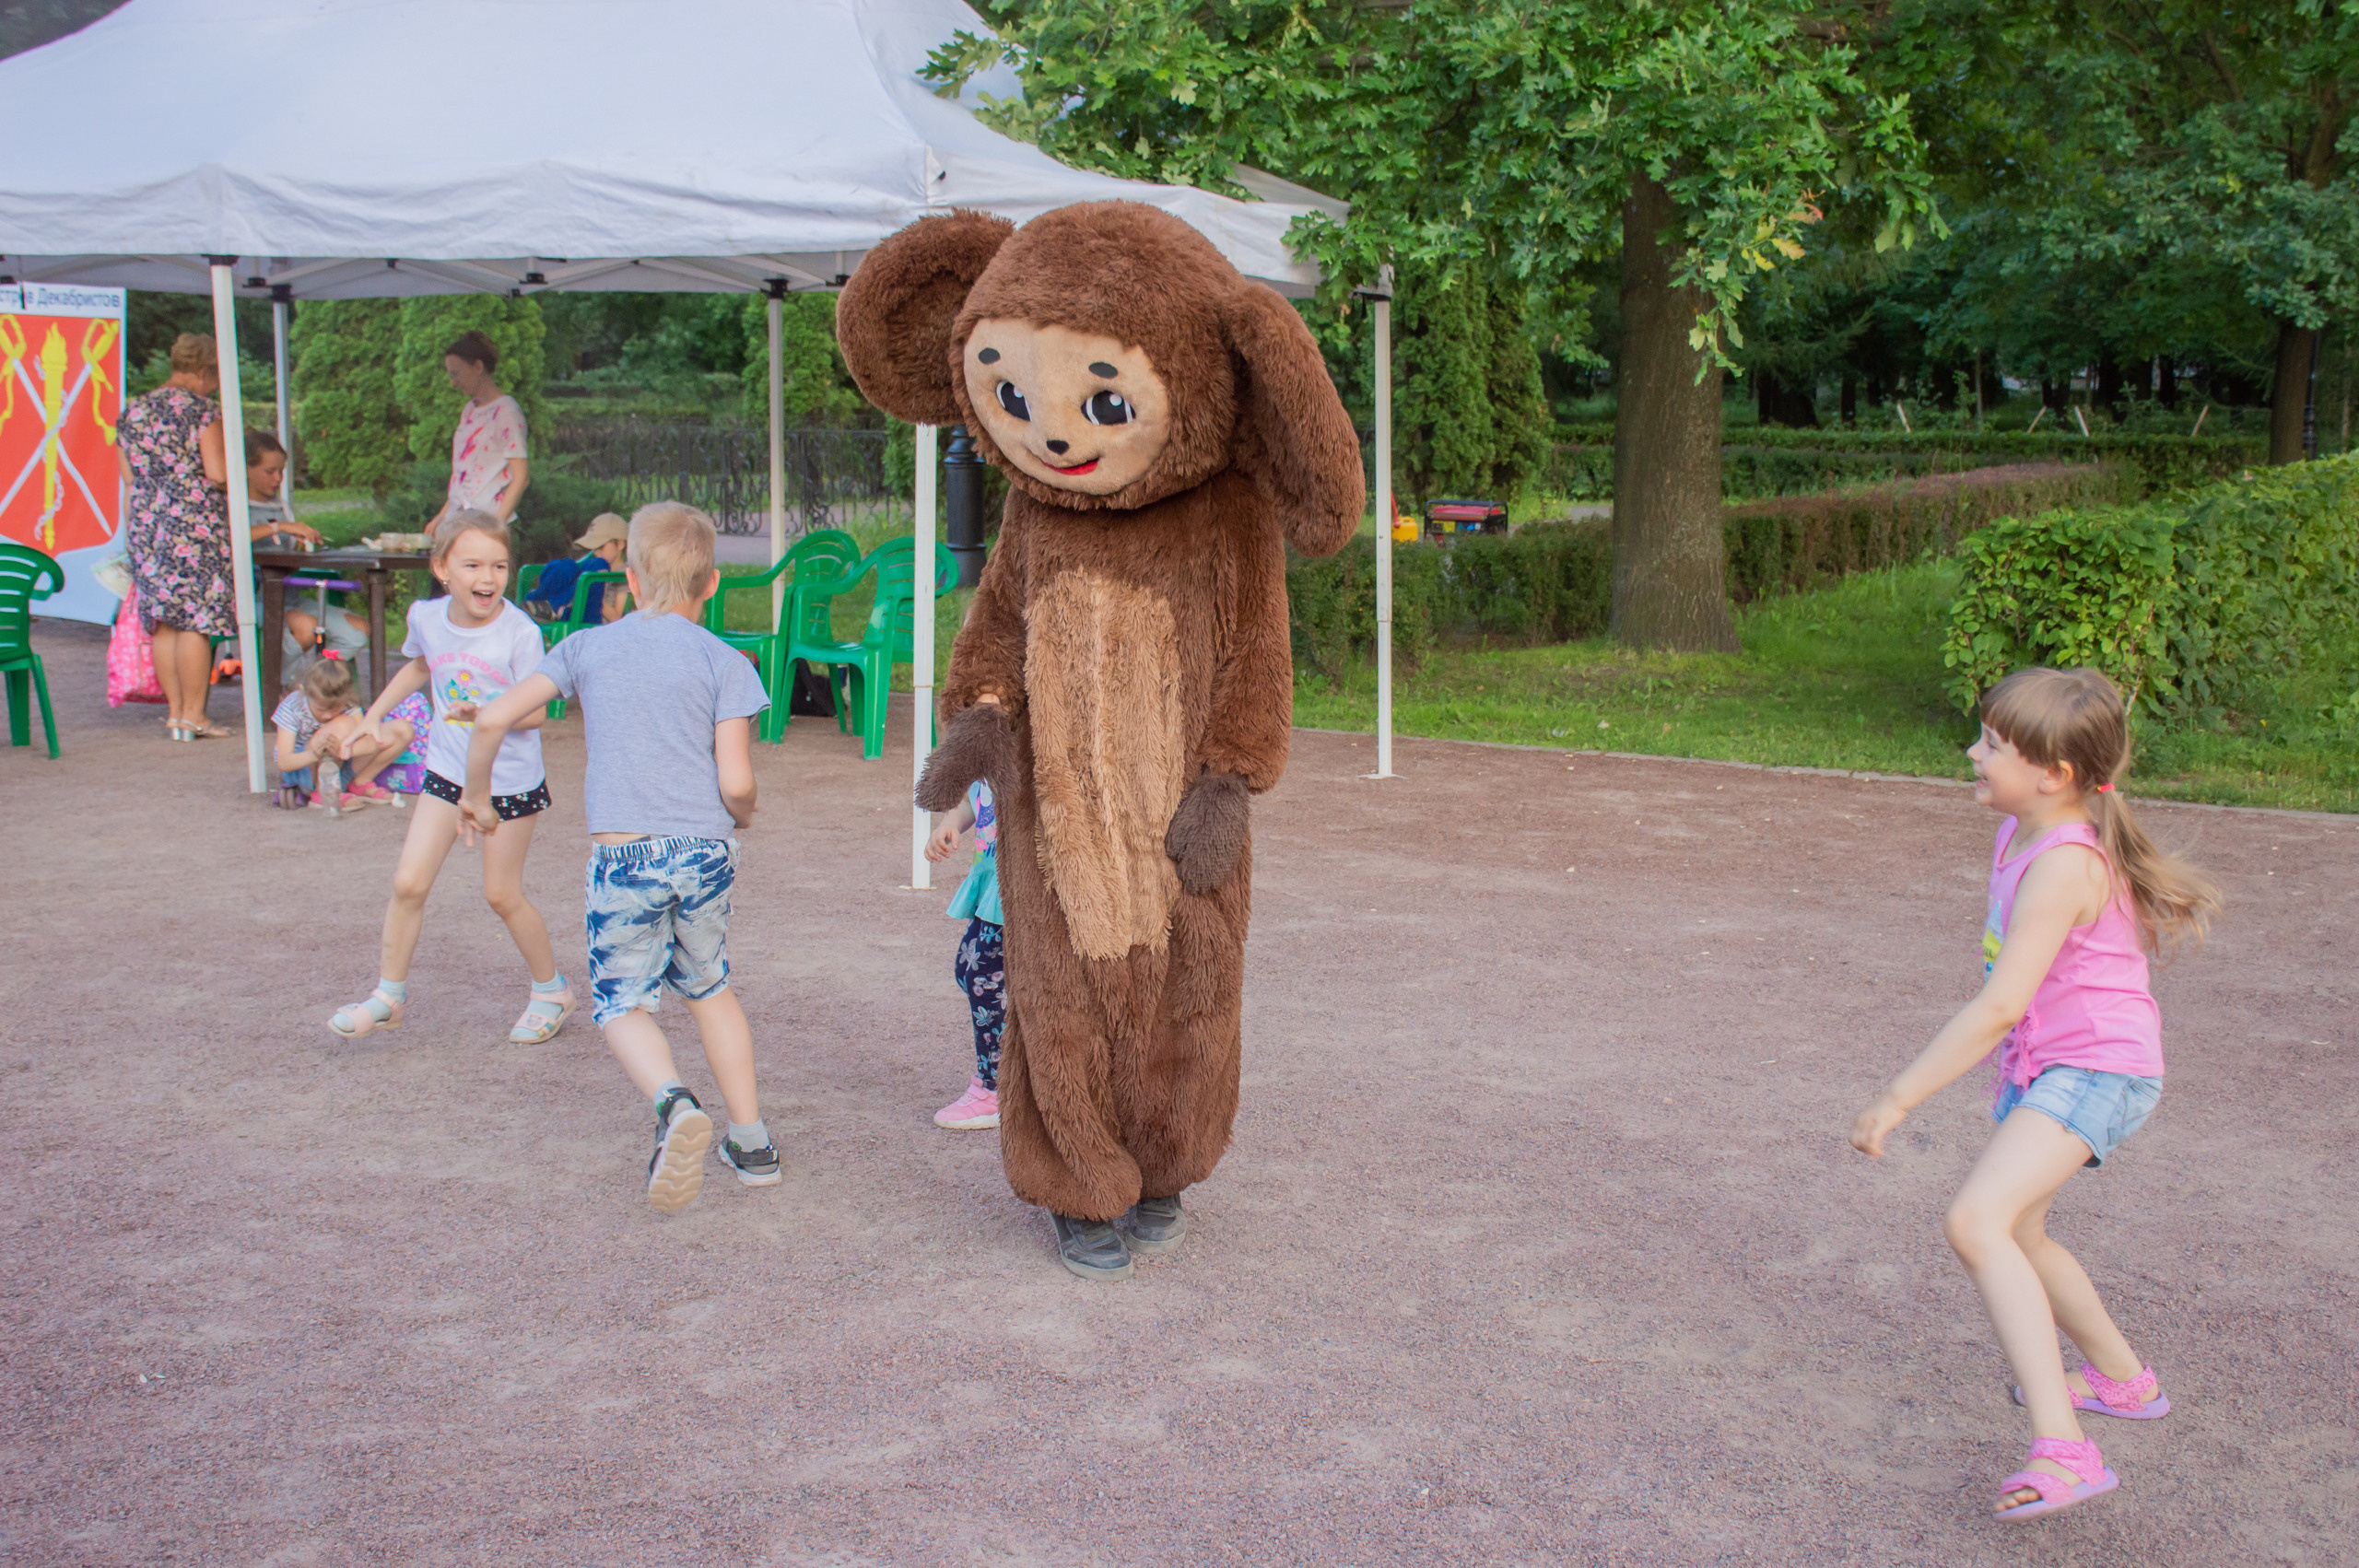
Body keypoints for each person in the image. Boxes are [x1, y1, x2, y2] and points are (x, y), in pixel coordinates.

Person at [1849, 666, 2220, 1522]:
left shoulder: (2063, 866)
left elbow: (2002, 1003)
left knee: (1975, 1221)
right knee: (2020, 1229)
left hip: (2096, 1071)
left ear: (2053, 774)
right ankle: (2124, 1382)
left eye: (1991, 745)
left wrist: (1897, 1098)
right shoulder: (2021, 834)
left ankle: (2065, 1451)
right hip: (2058, 1065)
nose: (1971, 753)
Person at [460, 501, 773, 1212]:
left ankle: (674, 1103)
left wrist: (478, 796)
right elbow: (736, 782)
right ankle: (752, 1145)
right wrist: (744, 816)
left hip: (624, 855)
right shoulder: (726, 662)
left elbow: (493, 717)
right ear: (712, 585)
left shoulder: (585, 649)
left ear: (627, 581)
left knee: (622, 1003)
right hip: (705, 852)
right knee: (710, 987)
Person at [327, 510, 571, 1045]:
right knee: (408, 882)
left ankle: (551, 991)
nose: (487, 578)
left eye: (500, 566)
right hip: (445, 774)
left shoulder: (521, 633)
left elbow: (534, 714)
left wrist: (473, 711)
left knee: (501, 895)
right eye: (472, 565)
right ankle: (389, 996)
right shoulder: (427, 618)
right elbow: (421, 666)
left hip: (510, 784)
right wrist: (373, 714)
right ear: (442, 569)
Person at [117, 332, 236, 741]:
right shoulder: (202, 410)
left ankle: (175, 715)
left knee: (165, 623)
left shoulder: (133, 410)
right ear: (204, 371)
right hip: (193, 521)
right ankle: (196, 714)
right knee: (195, 622)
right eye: (215, 376)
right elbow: (218, 472)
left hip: (147, 523)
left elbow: (130, 476)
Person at [243, 430, 371, 673]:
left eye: (281, 471)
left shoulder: (281, 506)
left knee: (358, 629)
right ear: (247, 470)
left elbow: (289, 556)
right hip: (253, 601)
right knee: (306, 627)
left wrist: (302, 545)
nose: (278, 478)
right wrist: (279, 527)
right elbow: (232, 539)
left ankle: (317, 682)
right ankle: (279, 689)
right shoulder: (235, 505)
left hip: (289, 598)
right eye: (270, 471)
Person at [925, 780, 1004, 1129]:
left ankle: (995, 1089)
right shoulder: (993, 742)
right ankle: (1017, 1071)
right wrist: (949, 823)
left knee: (982, 978)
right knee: (968, 969)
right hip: (993, 881)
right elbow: (977, 795)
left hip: (1020, 885)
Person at [271, 656, 413, 810]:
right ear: (304, 691)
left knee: (402, 731)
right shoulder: (293, 707)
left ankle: (360, 783)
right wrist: (315, 754)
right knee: (343, 723)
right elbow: (284, 762)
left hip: (340, 765)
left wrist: (341, 749)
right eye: (321, 710)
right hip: (305, 771)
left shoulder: (348, 704)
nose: (327, 716)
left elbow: (370, 743)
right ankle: (324, 792)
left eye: (334, 709)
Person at [422, 331, 529, 532]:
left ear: (478, 367)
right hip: (458, 523)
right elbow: (463, 477)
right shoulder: (469, 411)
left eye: (456, 373)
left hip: (487, 523)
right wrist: (440, 518)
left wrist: (496, 526)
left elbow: (521, 477)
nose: (453, 382)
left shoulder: (506, 412)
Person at [523, 512, 629, 625]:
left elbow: (617, 618)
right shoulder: (594, 564)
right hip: (572, 610)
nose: (596, 552)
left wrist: (591, 596)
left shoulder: (623, 573)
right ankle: (535, 603)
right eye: (594, 547)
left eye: (600, 546)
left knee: (599, 564)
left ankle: (551, 607)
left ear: (620, 544)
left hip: (594, 619)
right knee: (566, 565)